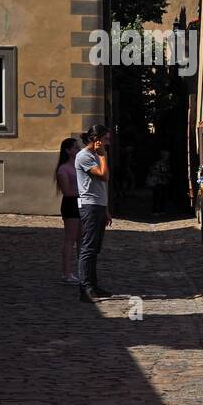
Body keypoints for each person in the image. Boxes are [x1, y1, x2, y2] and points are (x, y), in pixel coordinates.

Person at [75, 124, 114, 301]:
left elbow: (103, 185)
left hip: (98, 205)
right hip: (89, 205)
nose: (108, 142)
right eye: (105, 139)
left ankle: (94, 285)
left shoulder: (96, 155)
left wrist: (106, 209)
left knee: (95, 248)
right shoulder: (84, 156)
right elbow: (103, 176)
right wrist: (103, 155)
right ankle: (86, 288)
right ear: (96, 139)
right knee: (88, 248)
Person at [55, 136, 82, 284]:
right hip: (71, 204)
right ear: (68, 150)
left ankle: (82, 271)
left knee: (81, 239)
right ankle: (66, 273)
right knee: (70, 239)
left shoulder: (78, 166)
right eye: (76, 148)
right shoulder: (63, 169)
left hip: (80, 203)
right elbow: (67, 191)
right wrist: (84, 193)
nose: (79, 150)